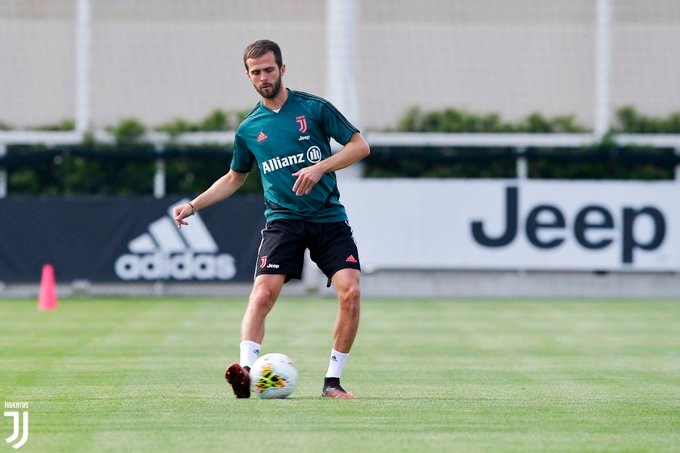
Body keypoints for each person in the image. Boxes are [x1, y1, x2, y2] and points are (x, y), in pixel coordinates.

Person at [173, 39, 370, 399]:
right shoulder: (249, 129)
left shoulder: (315, 108)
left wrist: (321, 166)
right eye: (256, 72)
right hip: (283, 220)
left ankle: (332, 382)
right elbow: (235, 177)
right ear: (248, 76)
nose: (264, 77)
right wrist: (194, 205)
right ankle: (246, 373)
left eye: (269, 69)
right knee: (262, 294)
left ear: (282, 68)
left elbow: (360, 146)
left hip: (328, 217)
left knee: (352, 293)